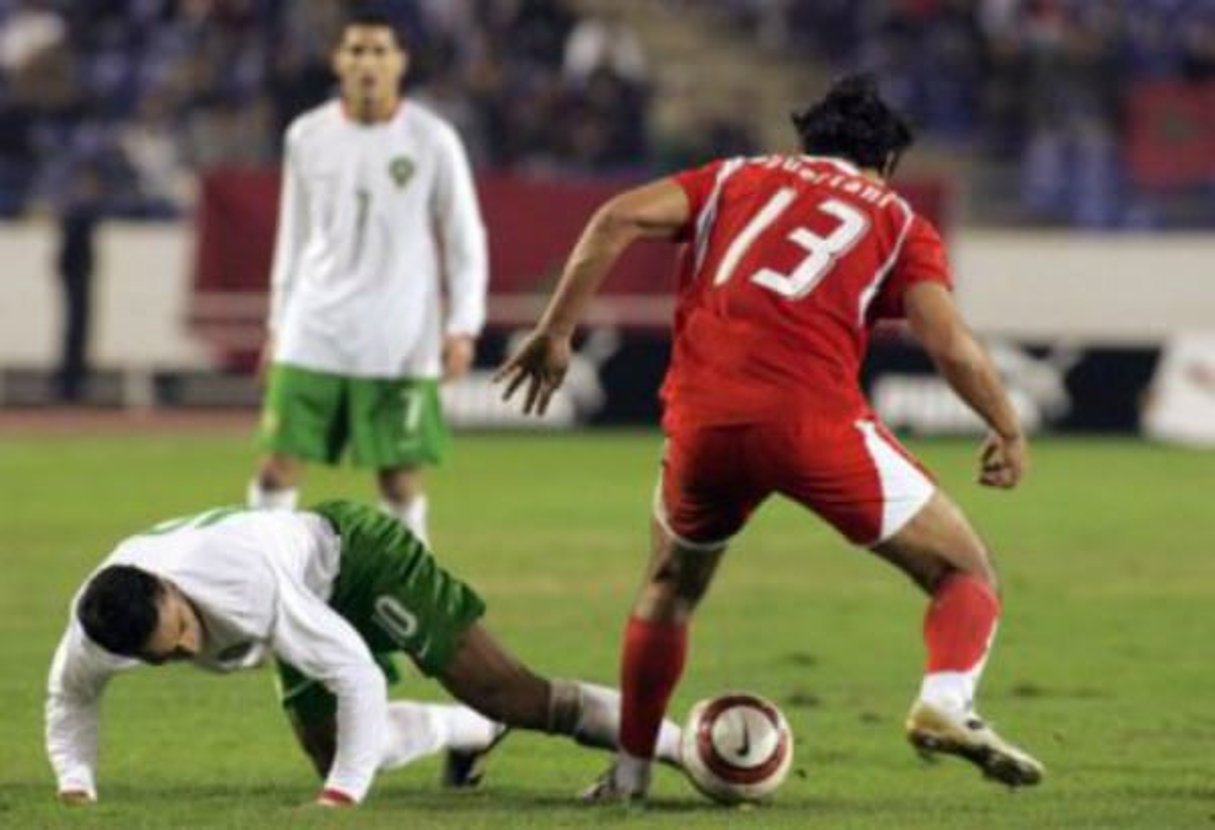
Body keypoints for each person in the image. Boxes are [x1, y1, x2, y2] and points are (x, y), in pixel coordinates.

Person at [496, 73, 1045, 801]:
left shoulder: (731, 177)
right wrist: (1005, 426)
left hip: (704, 421)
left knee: (668, 588)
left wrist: (556, 330)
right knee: (963, 572)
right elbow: (948, 342)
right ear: (885, 164)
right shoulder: (897, 219)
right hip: (813, 422)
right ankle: (945, 701)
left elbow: (616, 218)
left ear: (805, 143)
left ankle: (628, 775)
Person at [46, 500, 683, 807]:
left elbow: (356, 676)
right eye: (169, 654)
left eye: (184, 624)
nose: (190, 645)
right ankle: (469, 733)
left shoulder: (242, 587)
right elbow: (69, 700)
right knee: (333, 748)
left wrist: (342, 798)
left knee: (505, 691)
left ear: (170, 590)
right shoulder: (99, 629)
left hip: (359, 561)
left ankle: (682, 745)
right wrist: (77, 784)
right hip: (298, 597)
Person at [248, 11, 488, 544]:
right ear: (337, 61)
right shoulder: (306, 135)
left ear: (400, 61)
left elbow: (464, 237)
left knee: (399, 481)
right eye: (356, 51)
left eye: (380, 51)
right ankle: (266, 585)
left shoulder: (432, 138)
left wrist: (463, 326)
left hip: (399, 336)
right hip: (315, 328)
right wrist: (277, 326)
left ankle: (415, 597)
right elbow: (295, 237)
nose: (367, 63)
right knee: (274, 471)